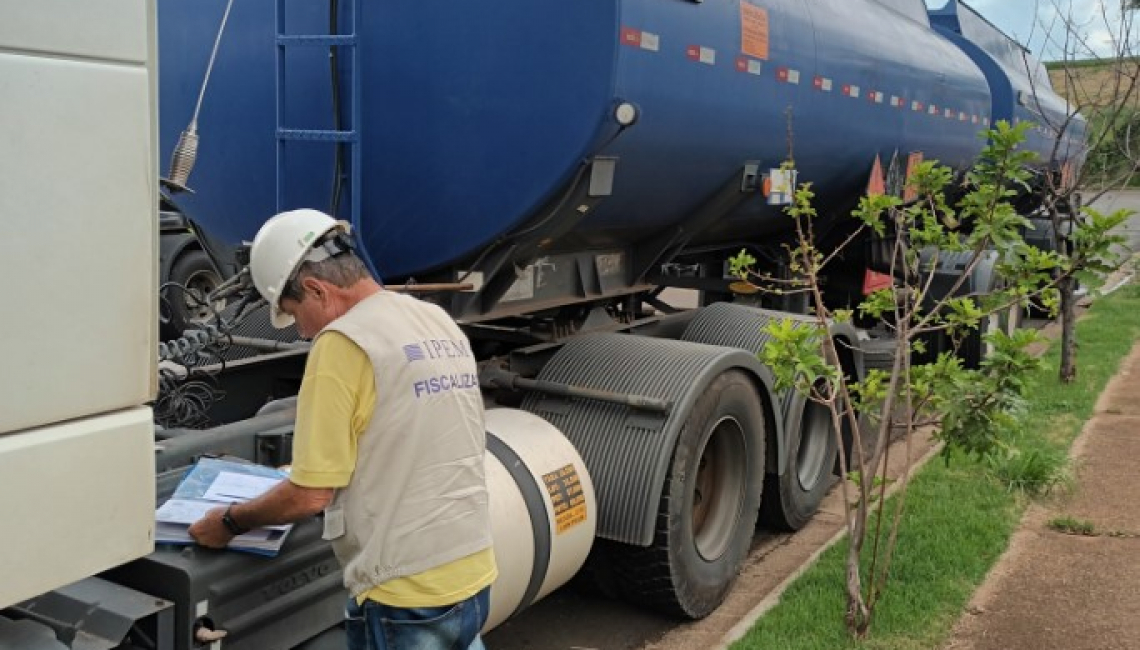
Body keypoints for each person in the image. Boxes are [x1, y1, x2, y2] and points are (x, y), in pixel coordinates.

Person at [189, 208, 497, 650]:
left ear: (317, 289)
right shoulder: (433, 319)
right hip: (471, 566)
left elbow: (312, 494)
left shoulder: (344, 344)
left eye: (295, 312)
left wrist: (229, 522)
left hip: (405, 592)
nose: (301, 329)